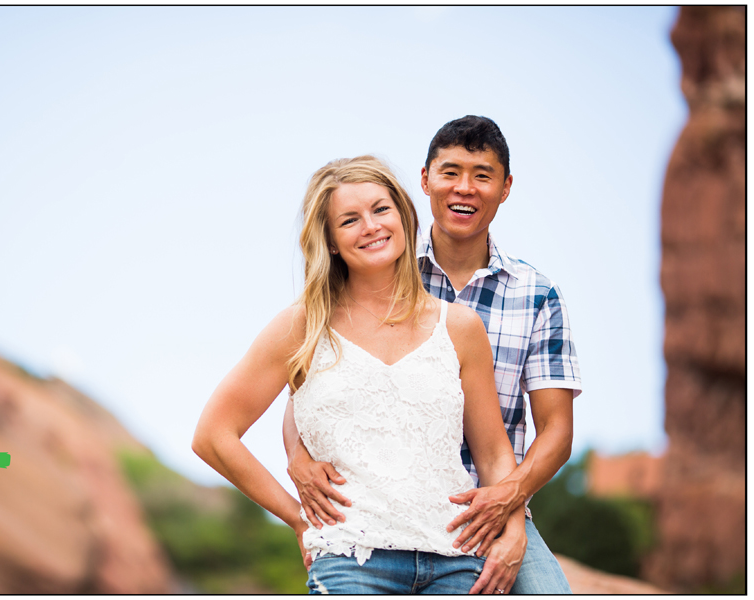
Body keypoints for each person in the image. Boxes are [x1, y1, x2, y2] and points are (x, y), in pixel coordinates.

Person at [193, 155, 526, 594]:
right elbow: (213, 435)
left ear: (403, 217)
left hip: (457, 558)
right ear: (331, 241)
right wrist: (297, 517)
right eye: (349, 220)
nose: (370, 226)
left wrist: (513, 529)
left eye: (380, 209)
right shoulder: (302, 326)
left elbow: (494, 454)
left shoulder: (460, 327)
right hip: (352, 561)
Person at [283, 116, 582, 594]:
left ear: (505, 188)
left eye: (482, 175)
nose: (465, 188)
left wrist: (509, 506)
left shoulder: (536, 295)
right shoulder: (379, 262)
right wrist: (298, 460)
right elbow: (313, 392)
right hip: (381, 509)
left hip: (486, 507)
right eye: (450, 172)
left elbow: (557, 431)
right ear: (424, 180)